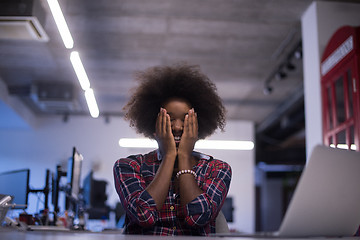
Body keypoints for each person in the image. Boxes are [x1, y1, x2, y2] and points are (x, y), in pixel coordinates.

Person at [113, 63, 232, 235]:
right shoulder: (128, 166)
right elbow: (144, 216)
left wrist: (183, 155)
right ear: (154, 123)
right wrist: (169, 155)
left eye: (185, 119)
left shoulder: (218, 169)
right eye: (168, 118)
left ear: (198, 125)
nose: (177, 127)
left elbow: (198, 218)